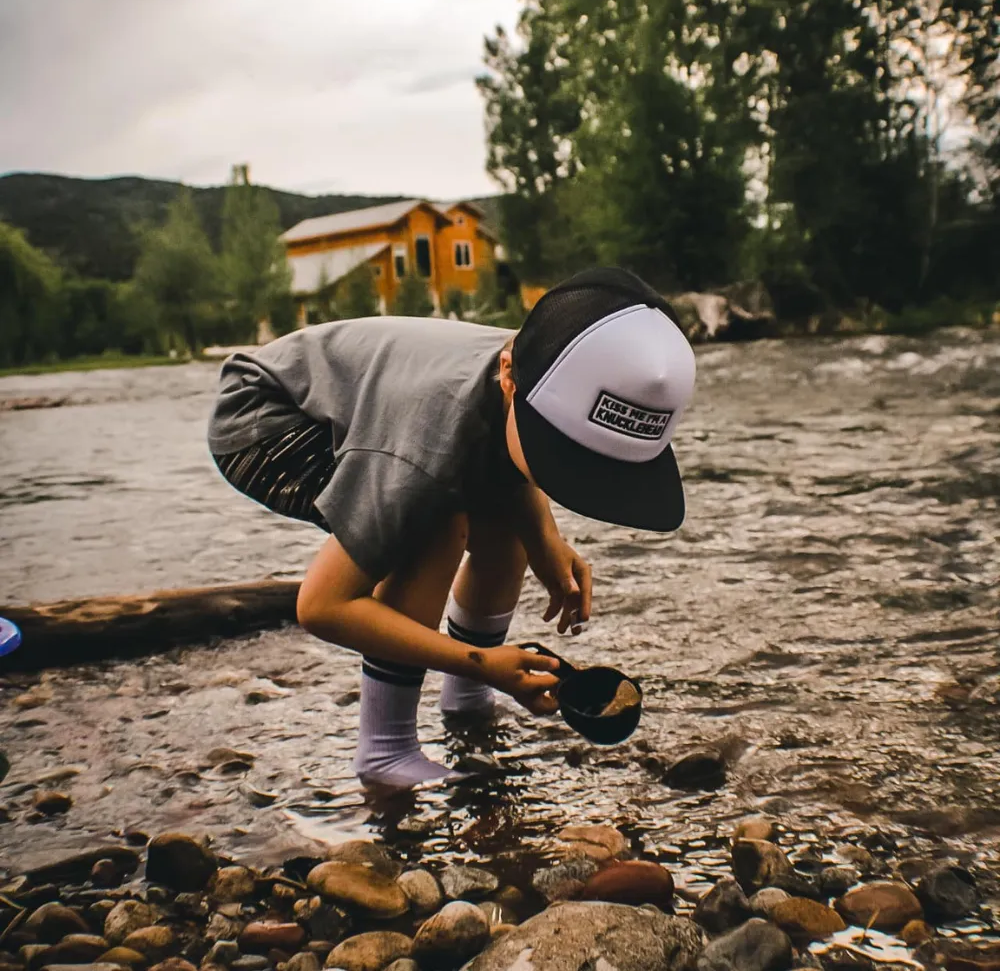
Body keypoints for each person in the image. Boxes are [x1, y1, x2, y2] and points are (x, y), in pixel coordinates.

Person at [207, 266, 696, 788]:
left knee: (503, 526)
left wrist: (543, 540)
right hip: (267, 419)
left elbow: (502, 446)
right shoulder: (416, 453)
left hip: (389, 408)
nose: (577, 481)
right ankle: (386, 748)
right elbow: (323, 607)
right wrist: (479, 661)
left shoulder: (543, 360)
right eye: (566, 460)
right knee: (435, 524)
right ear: (509, 374)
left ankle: (465, 705)